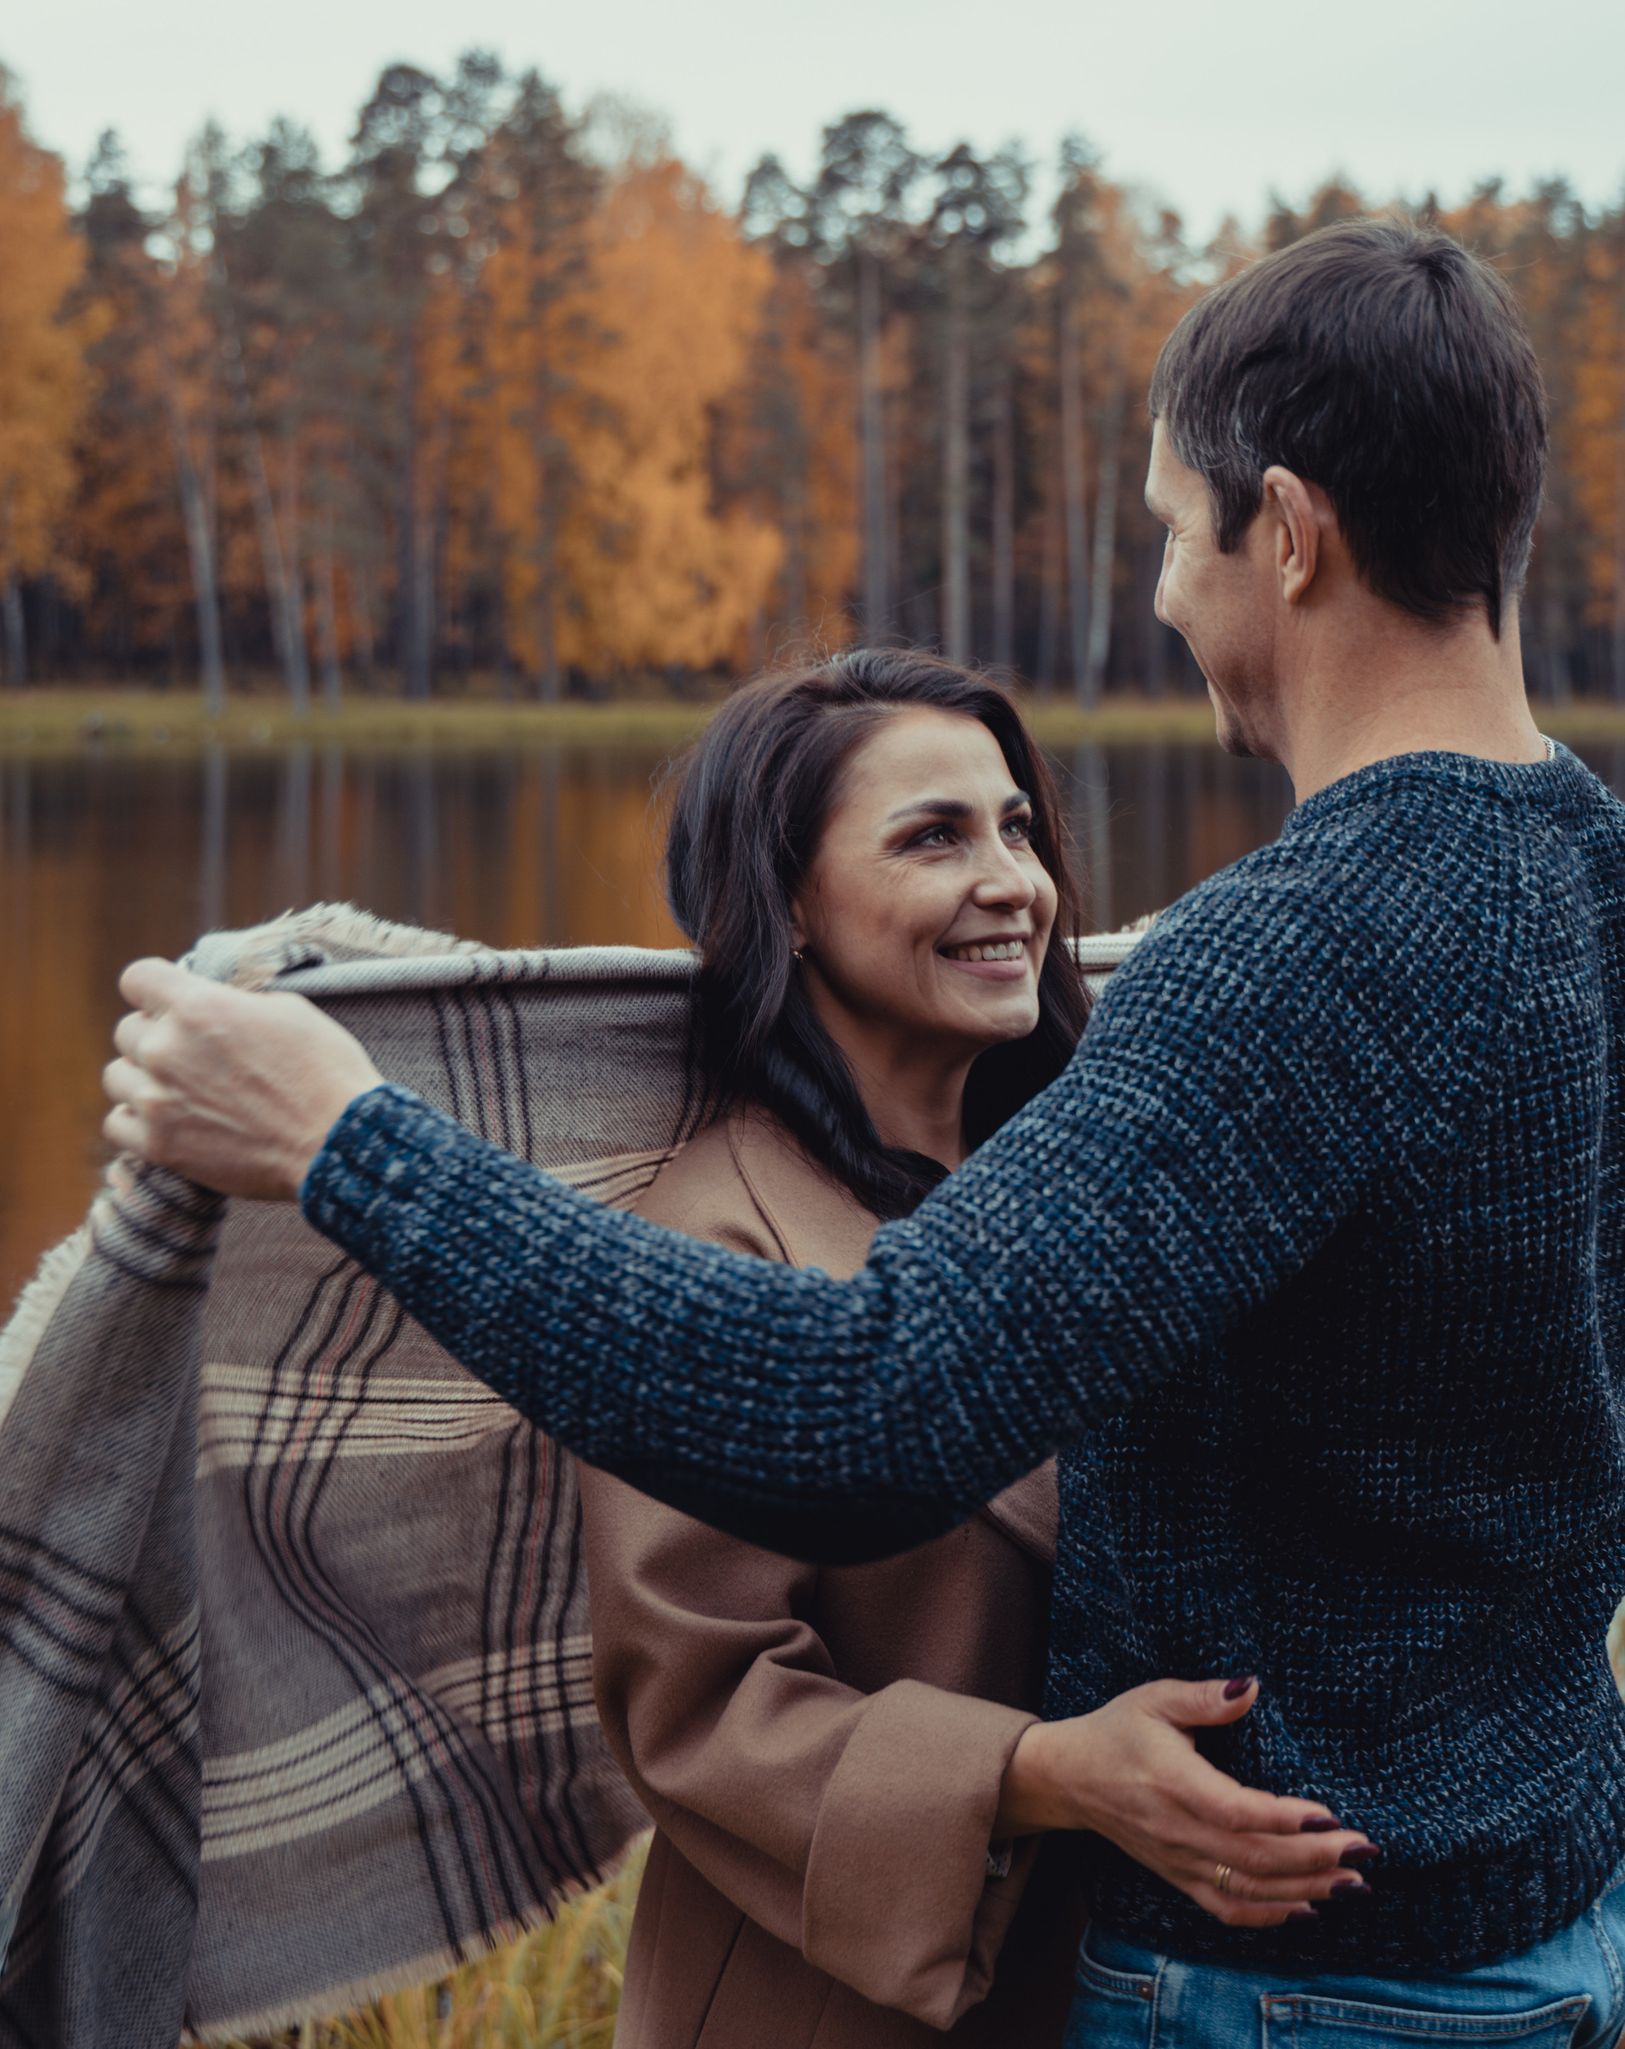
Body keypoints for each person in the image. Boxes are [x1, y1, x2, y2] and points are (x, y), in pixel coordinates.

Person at [104, 217, 1625, 2048]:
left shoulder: (1295, 949)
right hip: (1563, 1901)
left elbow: (865, 1409)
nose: (1163, 592)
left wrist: (354, 1144)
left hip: (1312, 1976)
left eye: (1169, 528)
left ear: (1287, 533)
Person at [573, 653, 1365, 2049]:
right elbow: (697, 1701)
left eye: (1017, 828)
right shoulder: (718, 1242)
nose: (1014, 881)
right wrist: (1042, 1770)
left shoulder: (1102, 1170)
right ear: (790, 904)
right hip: (819, 1998)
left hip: (1130, 1973)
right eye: (934, 836)